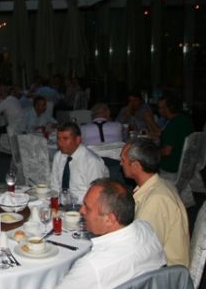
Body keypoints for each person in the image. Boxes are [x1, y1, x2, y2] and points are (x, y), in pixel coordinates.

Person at [1, 179, 166, 289]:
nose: (81, 211)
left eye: (87, 207)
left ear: (109, 219)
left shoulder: (95, 266)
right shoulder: (147, 229)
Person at [120, 138, 190, 267]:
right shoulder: (160, 184)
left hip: (166, 270)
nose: (120, 164)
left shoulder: (156, 200)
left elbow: (145, 252)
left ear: (136, 166)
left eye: (123, 160)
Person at [49, 122, 108, 204]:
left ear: (78, 140)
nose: (60, 143)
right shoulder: (58, 156)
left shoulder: (92, 162)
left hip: (83, 205)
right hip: (61, 204)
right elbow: (54, 186)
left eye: (65, 139)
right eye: (58, 138)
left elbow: (96, 195)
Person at [157, 94, 195, 179]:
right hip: (185, 164)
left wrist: (153, 152)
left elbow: (167, 151)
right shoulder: (185, 120)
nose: (159, 110)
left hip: (171, 167)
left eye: (161, 107)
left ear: (168, 108)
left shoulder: (172, 125)